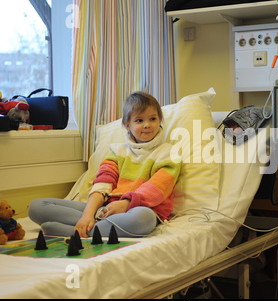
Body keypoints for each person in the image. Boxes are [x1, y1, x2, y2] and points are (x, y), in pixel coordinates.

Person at [29, 92, 181, 238]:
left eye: (153, 119)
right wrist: (88, 214)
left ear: (160, 120)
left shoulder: (168, 153)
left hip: (140, 209)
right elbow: (103, 183)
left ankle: (81, 231)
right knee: (36, 206)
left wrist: (125, 204)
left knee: (144, 219)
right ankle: (89, 224)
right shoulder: (116, 151)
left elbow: (157, 188)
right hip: (107, 208)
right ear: (127, 124)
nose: (147, 125)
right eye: (139, 120)